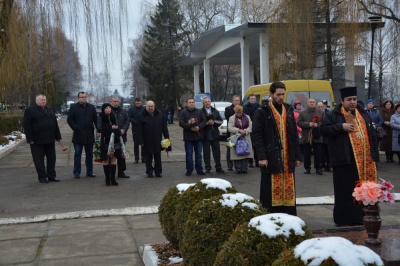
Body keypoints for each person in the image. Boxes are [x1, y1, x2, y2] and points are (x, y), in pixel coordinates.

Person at [320, 86, 379, 226]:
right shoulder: (333, 114)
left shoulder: (363, 114)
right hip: (344, 160)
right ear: (342, 100)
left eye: (354, 99)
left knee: (363, 189)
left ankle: (362, 216)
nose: (352, 102)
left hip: (364, 161)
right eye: (349, 99)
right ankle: (343, 219)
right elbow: (323, 129)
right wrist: (341, 127)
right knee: (345, 191)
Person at [252, 81, 301, 215]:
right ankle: (270, 217)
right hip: (270, 156)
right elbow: (257, 135)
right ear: (271, 94)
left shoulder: (289, 109)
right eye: (278, 94)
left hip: (287, 156)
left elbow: (293, 134)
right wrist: (261, 156)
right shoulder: (262, 111)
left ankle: (289, 216)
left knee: (288, 186)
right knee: (270, 189)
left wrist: (297, 155)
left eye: (283, 94)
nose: (281, 97)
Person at [23, 94, 62, 183]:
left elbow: (54, 123)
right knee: (39, 160)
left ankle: (52, 176)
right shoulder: (30, 110)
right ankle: (42, 177)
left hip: (50, 139)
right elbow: (27, 125)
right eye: (41, 100)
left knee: (52, 159)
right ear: (36, 101)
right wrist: (30, 139)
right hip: (37, 141)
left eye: (44, 99)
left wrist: (58, 136)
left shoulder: (50, 109)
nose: (43, 101)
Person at [67, 92, 98, 179]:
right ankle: (77, 172)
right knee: (77, 154)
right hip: (78, 135)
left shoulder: (91, 107)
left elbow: (96, 120)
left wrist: (98, 129)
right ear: (78, 98)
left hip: (89, 135)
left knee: (89, 154)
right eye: (82, 97)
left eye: (85, 97)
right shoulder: (73, 107)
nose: (84, 98)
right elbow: (69, 120)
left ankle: (90, 171)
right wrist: (75, 128)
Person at [137, 101, 169, 177]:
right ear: (146, 107)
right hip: (147, 140)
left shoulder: (160, 114)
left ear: (154, 106)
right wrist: (140, 141)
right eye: (149, 106)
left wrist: (167, 138)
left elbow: (164, 128)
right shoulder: (141, 115)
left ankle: (158, 172)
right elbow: (139, 130)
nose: (150, 108)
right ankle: (149, 172)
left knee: (158, 156)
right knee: (148, 157)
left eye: (152, 106)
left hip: (158, 139)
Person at [179, 97, 207, 176]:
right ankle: (189, 169)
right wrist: (190, 127)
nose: (191, 103)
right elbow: (181, 122)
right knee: (189, 154)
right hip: (188, 137)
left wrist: (199, 127)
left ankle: (199, 169)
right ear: (187, 104)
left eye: (192, 102)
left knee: (198, 154)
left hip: (198, 136)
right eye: (190, 102)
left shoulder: (199, 111)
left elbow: (204, 121)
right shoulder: (183, 112)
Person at [298, 98, 324, 175]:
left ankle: (318, 168)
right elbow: (299, 122)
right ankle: (307, 168)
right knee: (307, 153)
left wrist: (317, 125)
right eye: (310, 102)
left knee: (318, 153)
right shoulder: (303, 113)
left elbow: (324, 122)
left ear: (315, 103)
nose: (312, 103)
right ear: (307, 103)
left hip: (317, 135)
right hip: (306, 136)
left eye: (313, 102)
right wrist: (308, 124)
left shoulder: (321, 112)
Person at [97, 103, 120, 186]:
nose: (108, 109)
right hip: (105, 140)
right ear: (103, 109)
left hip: (114, 140)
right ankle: (107, 179)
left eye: (109, 107)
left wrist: (117, 128)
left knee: (114, 159)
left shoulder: (114, 115)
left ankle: (113, 179)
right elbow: (99, 128)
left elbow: (117, 125)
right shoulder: (100, 116)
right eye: (106, 108)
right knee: (106, 159)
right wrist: (110, 127)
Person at [201, 96, 225, 174]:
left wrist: (214, 123)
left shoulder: (215, 111)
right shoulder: (201, 111)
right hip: (205, 135)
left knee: (217, 152)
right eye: (206, 102)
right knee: (206, 153)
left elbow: (221, 121)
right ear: (203, 103)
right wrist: (206, 123)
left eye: (208, 101)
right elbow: (199, 123)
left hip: (215, 134)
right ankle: (207, 167)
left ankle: (218, 166)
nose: (207, 103)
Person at [228, 105, 253, 174]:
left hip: (245, 138)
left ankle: (244, 168)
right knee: (237, 154)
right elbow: (230, 128)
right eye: (237, 113)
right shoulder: (231, 118)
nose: (239, 114)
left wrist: (245, 131)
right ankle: (238, 169)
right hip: (236, 138)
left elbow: (250, 127)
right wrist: (238, 130)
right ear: (235, 112)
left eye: (240, 112)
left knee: (245, 153)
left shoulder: (247, 117)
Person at [110, 95, 130, 178]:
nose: (116, 103)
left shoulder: (123, 111)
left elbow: (127, 121)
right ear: (111, 102)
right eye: (114, 101)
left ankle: (121, 172)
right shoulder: (108, 111)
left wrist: (123, 130)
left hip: (122, 136)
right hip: (111, 137)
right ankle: (111, 173)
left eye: (117, 101)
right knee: (112, 155)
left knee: (122, 155)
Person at [243, 94, 260, 167]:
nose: (253, 100)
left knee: (257, 146)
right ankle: (250, 162)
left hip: (257, 128)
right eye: (252, 98)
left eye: (254, 98)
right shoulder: (245, 107)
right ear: (249, 99)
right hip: (249, 128)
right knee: (249, 146)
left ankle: (257, 161)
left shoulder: (259, 106)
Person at [225, 95, 241, 170]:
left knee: (240, 148)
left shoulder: (243, 108)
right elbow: (228, 116)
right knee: (230, 149)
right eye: (235, 100)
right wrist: (236, 110)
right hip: (231, 133)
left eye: (238, 100)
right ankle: (230, 165)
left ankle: (239, 165)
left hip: (241, 133)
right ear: (232, 101)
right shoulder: (228, 109)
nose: (237, 102)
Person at [128, 98, 145, 164]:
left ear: (141, 103)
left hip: (143, 128)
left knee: (143, 144)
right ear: (135, 103)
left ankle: (143, 158)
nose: (138, 104)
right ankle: (136, 158)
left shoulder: (144, 109)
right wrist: (136, 122)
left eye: (139, 103)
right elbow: (129, 118)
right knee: (136, 144)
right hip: (135, 128)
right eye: (137, 103)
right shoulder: (131, 109)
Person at [317, 101, 330, 171]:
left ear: (324, 106)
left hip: (327, 135)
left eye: (321, 107)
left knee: (328, 151)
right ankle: (322, 164)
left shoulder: (329, 113)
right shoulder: (316, 113)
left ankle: (329, 164)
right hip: (319, 135)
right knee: (321, 152)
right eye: (318, 107)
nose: (320, 108)